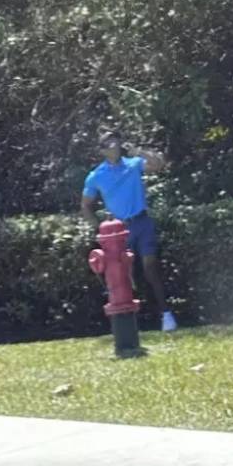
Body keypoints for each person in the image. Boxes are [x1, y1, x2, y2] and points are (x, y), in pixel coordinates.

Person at [80, 131, 178, 332]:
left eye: (115, 142)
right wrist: (100, 228)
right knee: (123, 276)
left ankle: (166, 314)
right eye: (108, 144)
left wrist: (139, 151)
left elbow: (159, 164)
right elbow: (85, 205)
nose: (113, 146)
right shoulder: (96, 175)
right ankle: (132, 321)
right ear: (102, 150)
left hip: (142, 222)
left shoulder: (133, 164)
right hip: (118, 231)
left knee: (150, 266)